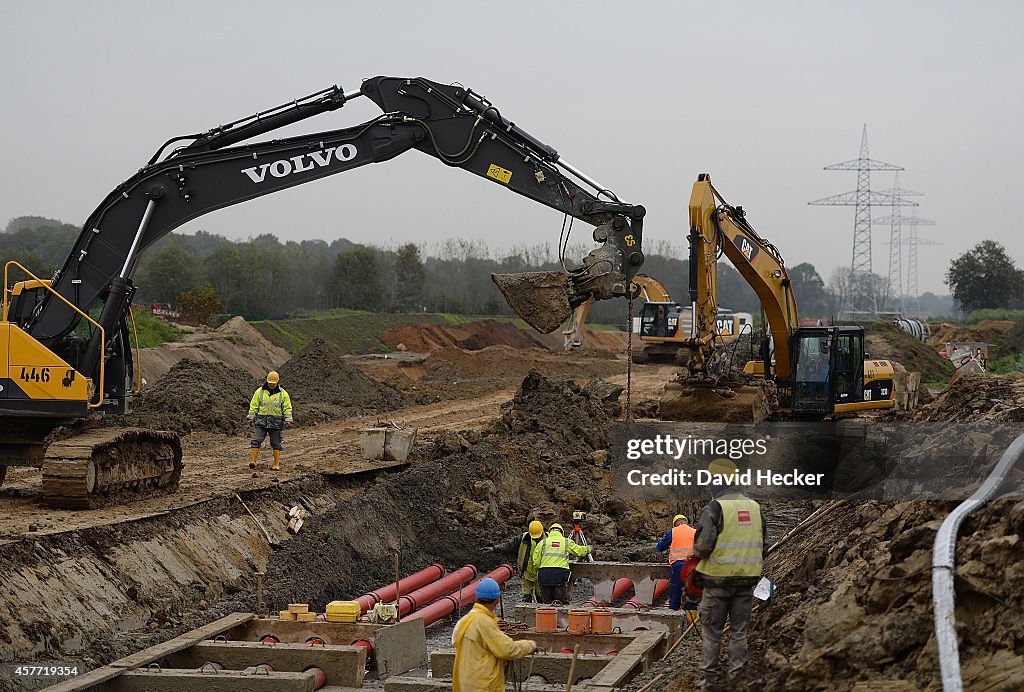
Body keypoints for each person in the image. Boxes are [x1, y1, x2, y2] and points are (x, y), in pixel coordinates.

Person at [693, 458, 767, 685]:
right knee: (739, 631)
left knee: (712, 632)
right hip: (746, 581)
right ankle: (738, 679)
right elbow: (763, 545)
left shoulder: (715, 508)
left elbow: (703, 547)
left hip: (717, 581)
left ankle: (711, 681)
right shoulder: (755, 507)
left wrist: (695, 554)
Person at [452, 577, 536, 692]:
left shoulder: (463, 622)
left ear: (476, 598)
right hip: (481, 686)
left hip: (464, 683)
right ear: (497, 601)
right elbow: (508, 650)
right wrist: (530, 646)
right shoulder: (485, 623)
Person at [531, 522, 592, 603]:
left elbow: (536, 561)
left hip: (544, 575)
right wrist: (588, 549)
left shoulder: (543, 542)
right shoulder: (566, 542)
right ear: (561, 532)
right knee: (561, 602)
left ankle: (546, 614)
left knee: (546, 604)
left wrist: (542, 569)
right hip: (559, 575)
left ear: (550, 532)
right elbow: (579, 551)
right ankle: (562, 615)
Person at [247, 370, 293, 471]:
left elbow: (287, 407)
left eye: (273, 383)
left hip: (275, 423)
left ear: (277, 382)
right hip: (261, 421)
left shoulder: (283, 394)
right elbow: (254, 404)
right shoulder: (259, 392)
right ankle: (253, 461)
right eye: (270, 383)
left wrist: (288, 419)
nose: (271, 384)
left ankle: (276, 464)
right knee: (257, 440)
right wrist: (251, 416)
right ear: (267, 381)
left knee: (276, 443)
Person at [491, 520, 546, 602]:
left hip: (541, 574)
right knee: (526, 597)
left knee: (541, 597)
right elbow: (510, 545)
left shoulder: (548, 540)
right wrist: (495, 548)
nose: (537, 538)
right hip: (527, 573)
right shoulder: (524, 538)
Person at [656, 514, 696, 610]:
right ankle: (691, 622)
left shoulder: (672, 532)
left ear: (675, 524)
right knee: (692, 596)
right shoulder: (695, 532)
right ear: (686, 522)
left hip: (678, 566)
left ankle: (673, 620)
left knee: (675, 593)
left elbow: (660, 547)